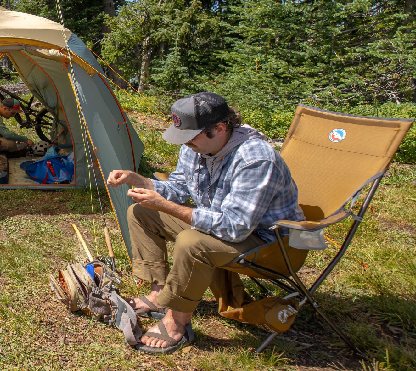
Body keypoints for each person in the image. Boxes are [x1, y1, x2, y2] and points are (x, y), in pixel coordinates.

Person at [106, 91, 302, 353]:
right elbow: (178, 186)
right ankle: (159, 293)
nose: (184, 144)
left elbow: (235, 226)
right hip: (222, 226)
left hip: (268, 243)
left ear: (219, 128)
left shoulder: (255, 159)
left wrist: (167, 206)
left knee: (191, 242)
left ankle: (176, 323)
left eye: (189, 138)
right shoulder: (197, 147)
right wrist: (140, 181)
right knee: (142, 213)